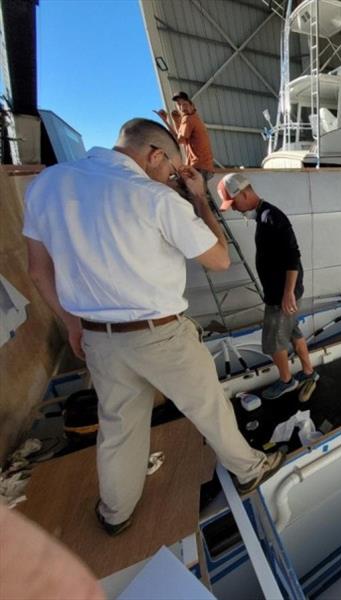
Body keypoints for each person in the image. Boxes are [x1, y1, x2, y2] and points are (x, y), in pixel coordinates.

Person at [23, 119, 283, 536]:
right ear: (155, 155)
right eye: (169, 169)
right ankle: (250, 468)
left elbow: (39, 272)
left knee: (119, 429)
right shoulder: (155, 198)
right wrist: (198, 199)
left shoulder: (47, 185)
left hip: (97, 337)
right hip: (160, 334)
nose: (169, 178)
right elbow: (218, 260)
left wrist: (74, 325)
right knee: (207, 407)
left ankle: (115, 513)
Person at [216, 173, 319, 400]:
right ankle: (309, 371)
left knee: (273, 343)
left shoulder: (271, 216)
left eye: (234, 204)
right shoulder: (263, 215)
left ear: (245, 193)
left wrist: (287, 293)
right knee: (292, 330)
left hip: (281, 295)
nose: (234, 209)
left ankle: (286, 381)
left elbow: (293, 255)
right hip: (286, 292)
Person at [155, 91, 214, 181]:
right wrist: (176, 121)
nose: (182, 107)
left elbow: (178, 140)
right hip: (205, 167)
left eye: (185, 104)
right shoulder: (194, 117)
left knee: (187, 190)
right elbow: (182, 138)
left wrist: (164, 120)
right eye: (179, 104)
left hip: (199, 167)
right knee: (197, 192)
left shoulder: (188, 118)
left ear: (192, 105)